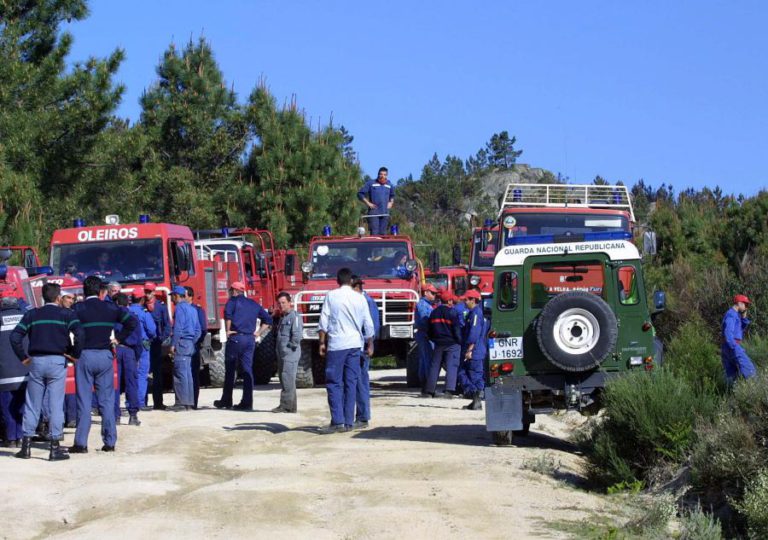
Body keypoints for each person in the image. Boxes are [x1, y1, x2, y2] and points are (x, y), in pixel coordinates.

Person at [10, 283, 84, 460]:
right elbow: (80, 334)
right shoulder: (67, 314)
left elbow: (15, 337)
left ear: (43, 297)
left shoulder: (32, 314)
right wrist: (74, 354)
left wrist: (23, 357)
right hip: (58, 361)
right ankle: (54, 448)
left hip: (36, 361)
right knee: (56, 404)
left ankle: (26, 447)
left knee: (32, 403)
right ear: (58, 297)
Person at [69, 276, 136, 454]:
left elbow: (66, 327)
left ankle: (81, 443)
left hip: (84, 356)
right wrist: (118, 339)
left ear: (84, 291)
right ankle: (109, 442)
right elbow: (132, 322)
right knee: (106, 400)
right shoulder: (111, 307)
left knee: (84, 401)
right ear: (101, 292)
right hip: (105, 355)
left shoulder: (78, 308)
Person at [318, 268, 374, 433]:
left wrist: (322, 342)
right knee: (351, 382)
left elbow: (324, 320)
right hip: (355, 345)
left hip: (337, 344)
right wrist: (369, 343)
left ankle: (338, 421)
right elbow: (368, 324)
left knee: (334, 383)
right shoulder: (360, 298)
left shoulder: (331, 296)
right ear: (351, 281)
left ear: (337, 280)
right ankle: (349, 422)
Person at [214, 282, 272, 411]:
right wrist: (257, 333)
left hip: (236, 338)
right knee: (247, 370)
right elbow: (268, 320)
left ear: (234, 291)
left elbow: (228, 316)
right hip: (249, 339)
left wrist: (228, 331)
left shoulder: (232, 302)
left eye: (230, 290)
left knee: (230, 370)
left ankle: (226, 400)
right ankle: (247, 402)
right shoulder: (253, 304)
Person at [0, 291, 27, 449]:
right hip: (24, 371)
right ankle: (21, 437)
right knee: (22, 406)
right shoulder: (26, 316)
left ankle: (11, 438)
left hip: (4, 373)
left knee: (7, 406)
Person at [352, 277, 379, 429]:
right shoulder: (361, 301)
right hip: (356, 346)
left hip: (361, 347)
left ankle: (362, 417)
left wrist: (370, 345)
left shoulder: (366, 301)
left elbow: (371, 326)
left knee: (361, 381)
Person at [424, 291, 462, 398]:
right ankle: (449, 391)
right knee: (452, 366)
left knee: (435, 366)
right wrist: (460, 341)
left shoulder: (434, 312)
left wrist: (434, 339)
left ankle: (429, 391)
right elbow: (457, 330)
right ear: (449, 301)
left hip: (438, 343)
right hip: (452, 344)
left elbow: (429, 330)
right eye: (452, 300)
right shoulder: (452, 313)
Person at [113, 292, 143, 426]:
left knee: (114, 384)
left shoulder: (112, 317)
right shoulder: (133, 317)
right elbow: (139, 339)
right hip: (130, 351)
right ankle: (133, 415)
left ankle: (116, 416)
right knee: (132, 383)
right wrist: (137, 356)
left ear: (117, 303)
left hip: (115, 350)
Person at [169, 286, 201, 411]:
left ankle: (181, 403)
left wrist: (173, 344)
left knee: (180, 374)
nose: (171, 299)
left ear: (177, 295)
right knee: (188, 374)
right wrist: (191, 341)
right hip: (189, 344)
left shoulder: (180, 308)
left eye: (172, 296)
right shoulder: (193, 309)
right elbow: (198, 330)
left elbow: (178, 328)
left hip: (182, 343)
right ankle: (188, 403)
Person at [272, 292, 303, 414]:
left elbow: (296, 335)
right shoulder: (282, 317)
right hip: (282, 353)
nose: (281, 305)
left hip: (289, 353)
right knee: (285, 378)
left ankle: (285, 406)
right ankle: (291, 406)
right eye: (279, 303)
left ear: (290, 302)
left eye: (283, 303)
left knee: (287, 378)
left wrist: (289, 348)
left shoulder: (294, 316)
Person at [458, 290, 488, 411]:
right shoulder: (474, 313)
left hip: (474, 351)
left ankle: (476, 399)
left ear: (473, 300)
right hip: (477, 350)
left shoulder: (476, 314)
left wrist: (469, 350)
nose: (464, 302)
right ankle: (476, 401)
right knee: (472, 375)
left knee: (468, 374)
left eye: (466, 299)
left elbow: (473, 334)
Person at [128, 288, 156, 411]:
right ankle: (139, 402)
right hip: (143, 346)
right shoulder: (144, 313)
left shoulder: (127, 311)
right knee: (142, 374)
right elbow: (152, 330)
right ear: (142, 299)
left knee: (130, 374)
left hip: (128, 346)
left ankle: (130, 402)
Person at [144, 282, 171, 410]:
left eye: (149, 292)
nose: (147, 294)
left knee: (157, 374)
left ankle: (158, 402)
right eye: (146, 291)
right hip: (143, 345)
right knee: (142, 374)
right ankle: (142, 403)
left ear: (154, 292)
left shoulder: (161, 307)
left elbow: (167, 325)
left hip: (156, 344)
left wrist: (161, 339)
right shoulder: (141, 305)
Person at [721, 294, 757, 385]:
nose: (746, 307)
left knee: (733, 376)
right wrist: (735, 347)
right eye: (745, 304)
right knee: (750, 371)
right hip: (732, 346)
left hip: (727, 347)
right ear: (739, 303)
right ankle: (753, 393)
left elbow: (739, 329)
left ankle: (732, 396)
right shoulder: (731, 315)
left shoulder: (735, 315)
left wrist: (744, 317)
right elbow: (728, 333)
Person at [186, 286, 208, 409]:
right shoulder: (180, 309)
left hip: (193, 346)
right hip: (184, 346)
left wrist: (196, 342)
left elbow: (203, 329)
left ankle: (193, 402)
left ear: (189, 296)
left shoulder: (198, 310)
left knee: (193, 374)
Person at [358, 166, 395, 235]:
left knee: (383, 234)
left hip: (385, 213)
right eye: (381, 174)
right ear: (378, 174)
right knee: (374, 234)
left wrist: (391, 202)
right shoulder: (371, 183)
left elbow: (392, 195)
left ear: (387, 176)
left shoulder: (389, 185)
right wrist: (368, 203)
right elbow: (360, 194)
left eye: (384, 175)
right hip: (374, 213)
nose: (382, 176)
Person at [414, 285, 437, 387]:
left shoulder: (426, 305)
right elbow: (425, 321)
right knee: (428, 359)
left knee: (424, 359)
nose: (435, 295)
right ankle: (429, 384)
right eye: (433, 293)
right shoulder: (423, 305)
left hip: (424, 334)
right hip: (425, 334)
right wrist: (429, 333)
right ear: (426, 292)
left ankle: (424, 382)